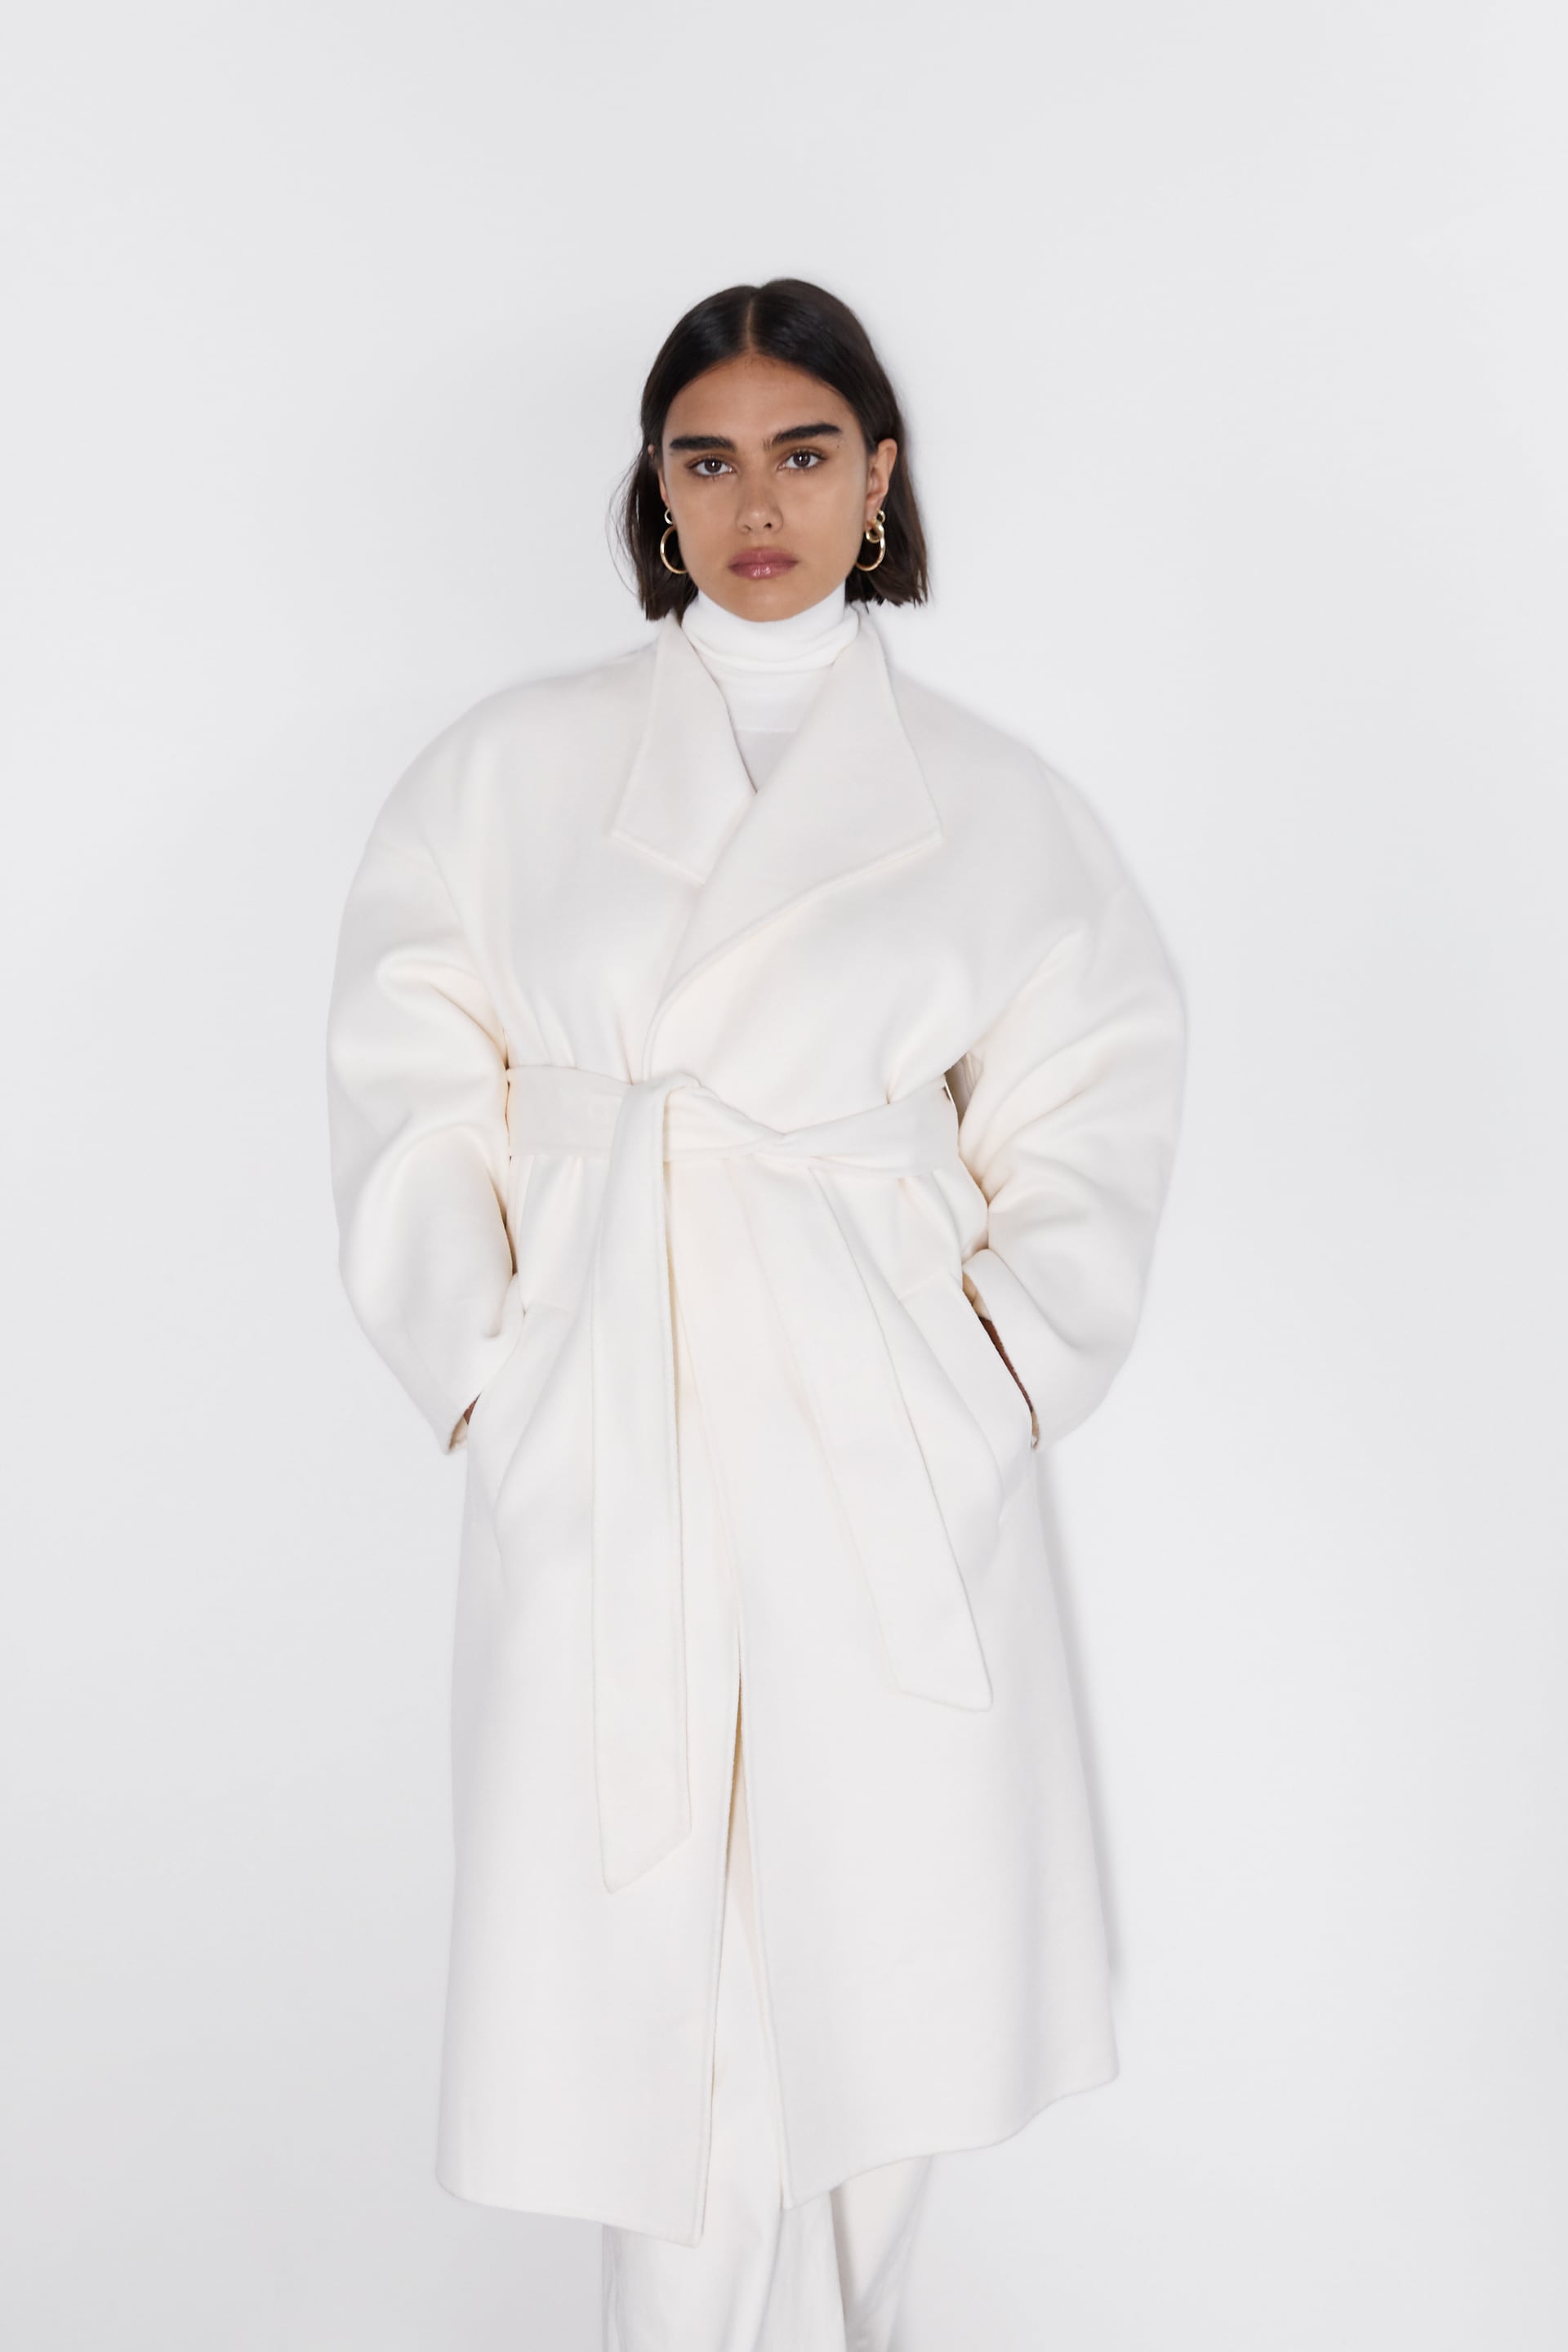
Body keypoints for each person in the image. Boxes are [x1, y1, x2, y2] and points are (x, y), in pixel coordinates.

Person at [324, 277, 1188, 2352]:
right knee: (654, 2006)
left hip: (876, 1436)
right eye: (704, 461)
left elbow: (1097, 1091)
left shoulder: (991, 801)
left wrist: (995, 1375)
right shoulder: (507, 773)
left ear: (881, 476)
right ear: (657, 490)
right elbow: (403, 1081)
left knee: (883, 1970)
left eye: (803, 454)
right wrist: (492, 1368)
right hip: (611, 1411)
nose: (756, 505)